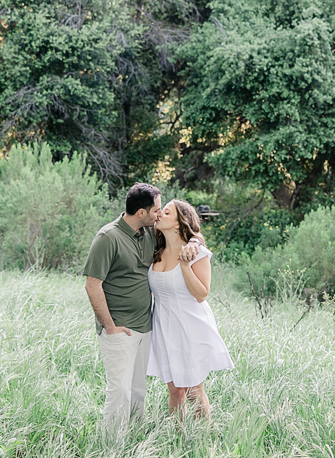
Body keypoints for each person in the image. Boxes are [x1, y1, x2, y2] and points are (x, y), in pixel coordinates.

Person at [83, 183, 199, 429]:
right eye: (156, 210)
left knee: (137, 389)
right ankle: (112, 445)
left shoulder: (149, 234)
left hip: (145, 328)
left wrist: (195, 243)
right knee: (119, 390)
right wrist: (110, 326)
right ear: (141, 213)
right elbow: (92, 285)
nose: (159, 214)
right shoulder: (108, 237)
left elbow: (185, 232)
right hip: (119, 328)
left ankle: (134, 441)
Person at [147, 199, 234, 419]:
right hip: (163, 326)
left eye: (166, 213)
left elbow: (201, 294)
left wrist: (185, 265)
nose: (159, 215)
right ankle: (179, 441)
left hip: (190, 325)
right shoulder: (155, 249)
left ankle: (201, 441)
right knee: (175, 392)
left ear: (178, 224)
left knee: (194, 391)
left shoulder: (197, 253)